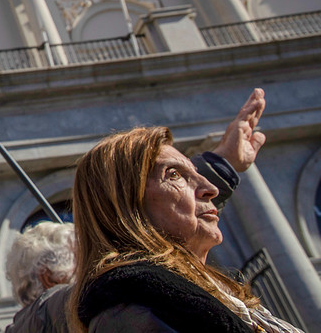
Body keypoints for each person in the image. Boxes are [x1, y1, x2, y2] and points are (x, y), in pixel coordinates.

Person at [5, 88, 267, 333]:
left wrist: (220, 163)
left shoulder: (142, 293)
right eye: (86, 255)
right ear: (48, 277)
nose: (95, 261)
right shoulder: (115, 298)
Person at [68, 90, 301, 332]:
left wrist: (224, 163)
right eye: (174, 175)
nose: (211, 189)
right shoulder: (130, 314)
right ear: (125, 204)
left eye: (198, 174)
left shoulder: (188, 299)